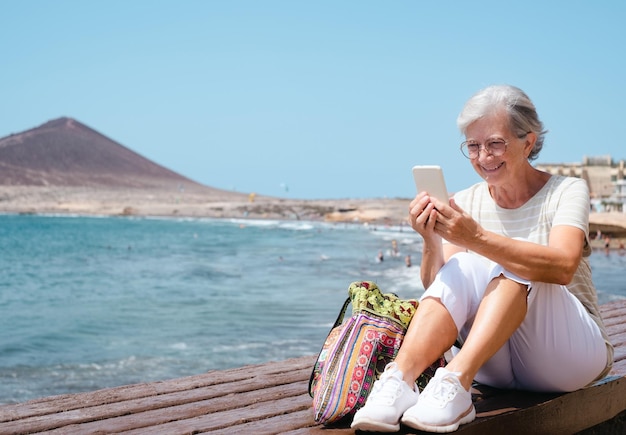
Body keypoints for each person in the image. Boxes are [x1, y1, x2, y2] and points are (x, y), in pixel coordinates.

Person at [351, 85, 613, 433]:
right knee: (463, 264)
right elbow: (441, 286)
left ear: (528, 143)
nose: (483, 156)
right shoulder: (467, 201)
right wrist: (431, 240)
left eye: (495, 143)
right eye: (473, 146)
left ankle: (456, 381)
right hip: (492, 363)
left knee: (512, 262)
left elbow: (562, 267)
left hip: (567, 356)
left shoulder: (566, 190)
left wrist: (475, 238)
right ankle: (399, 381)